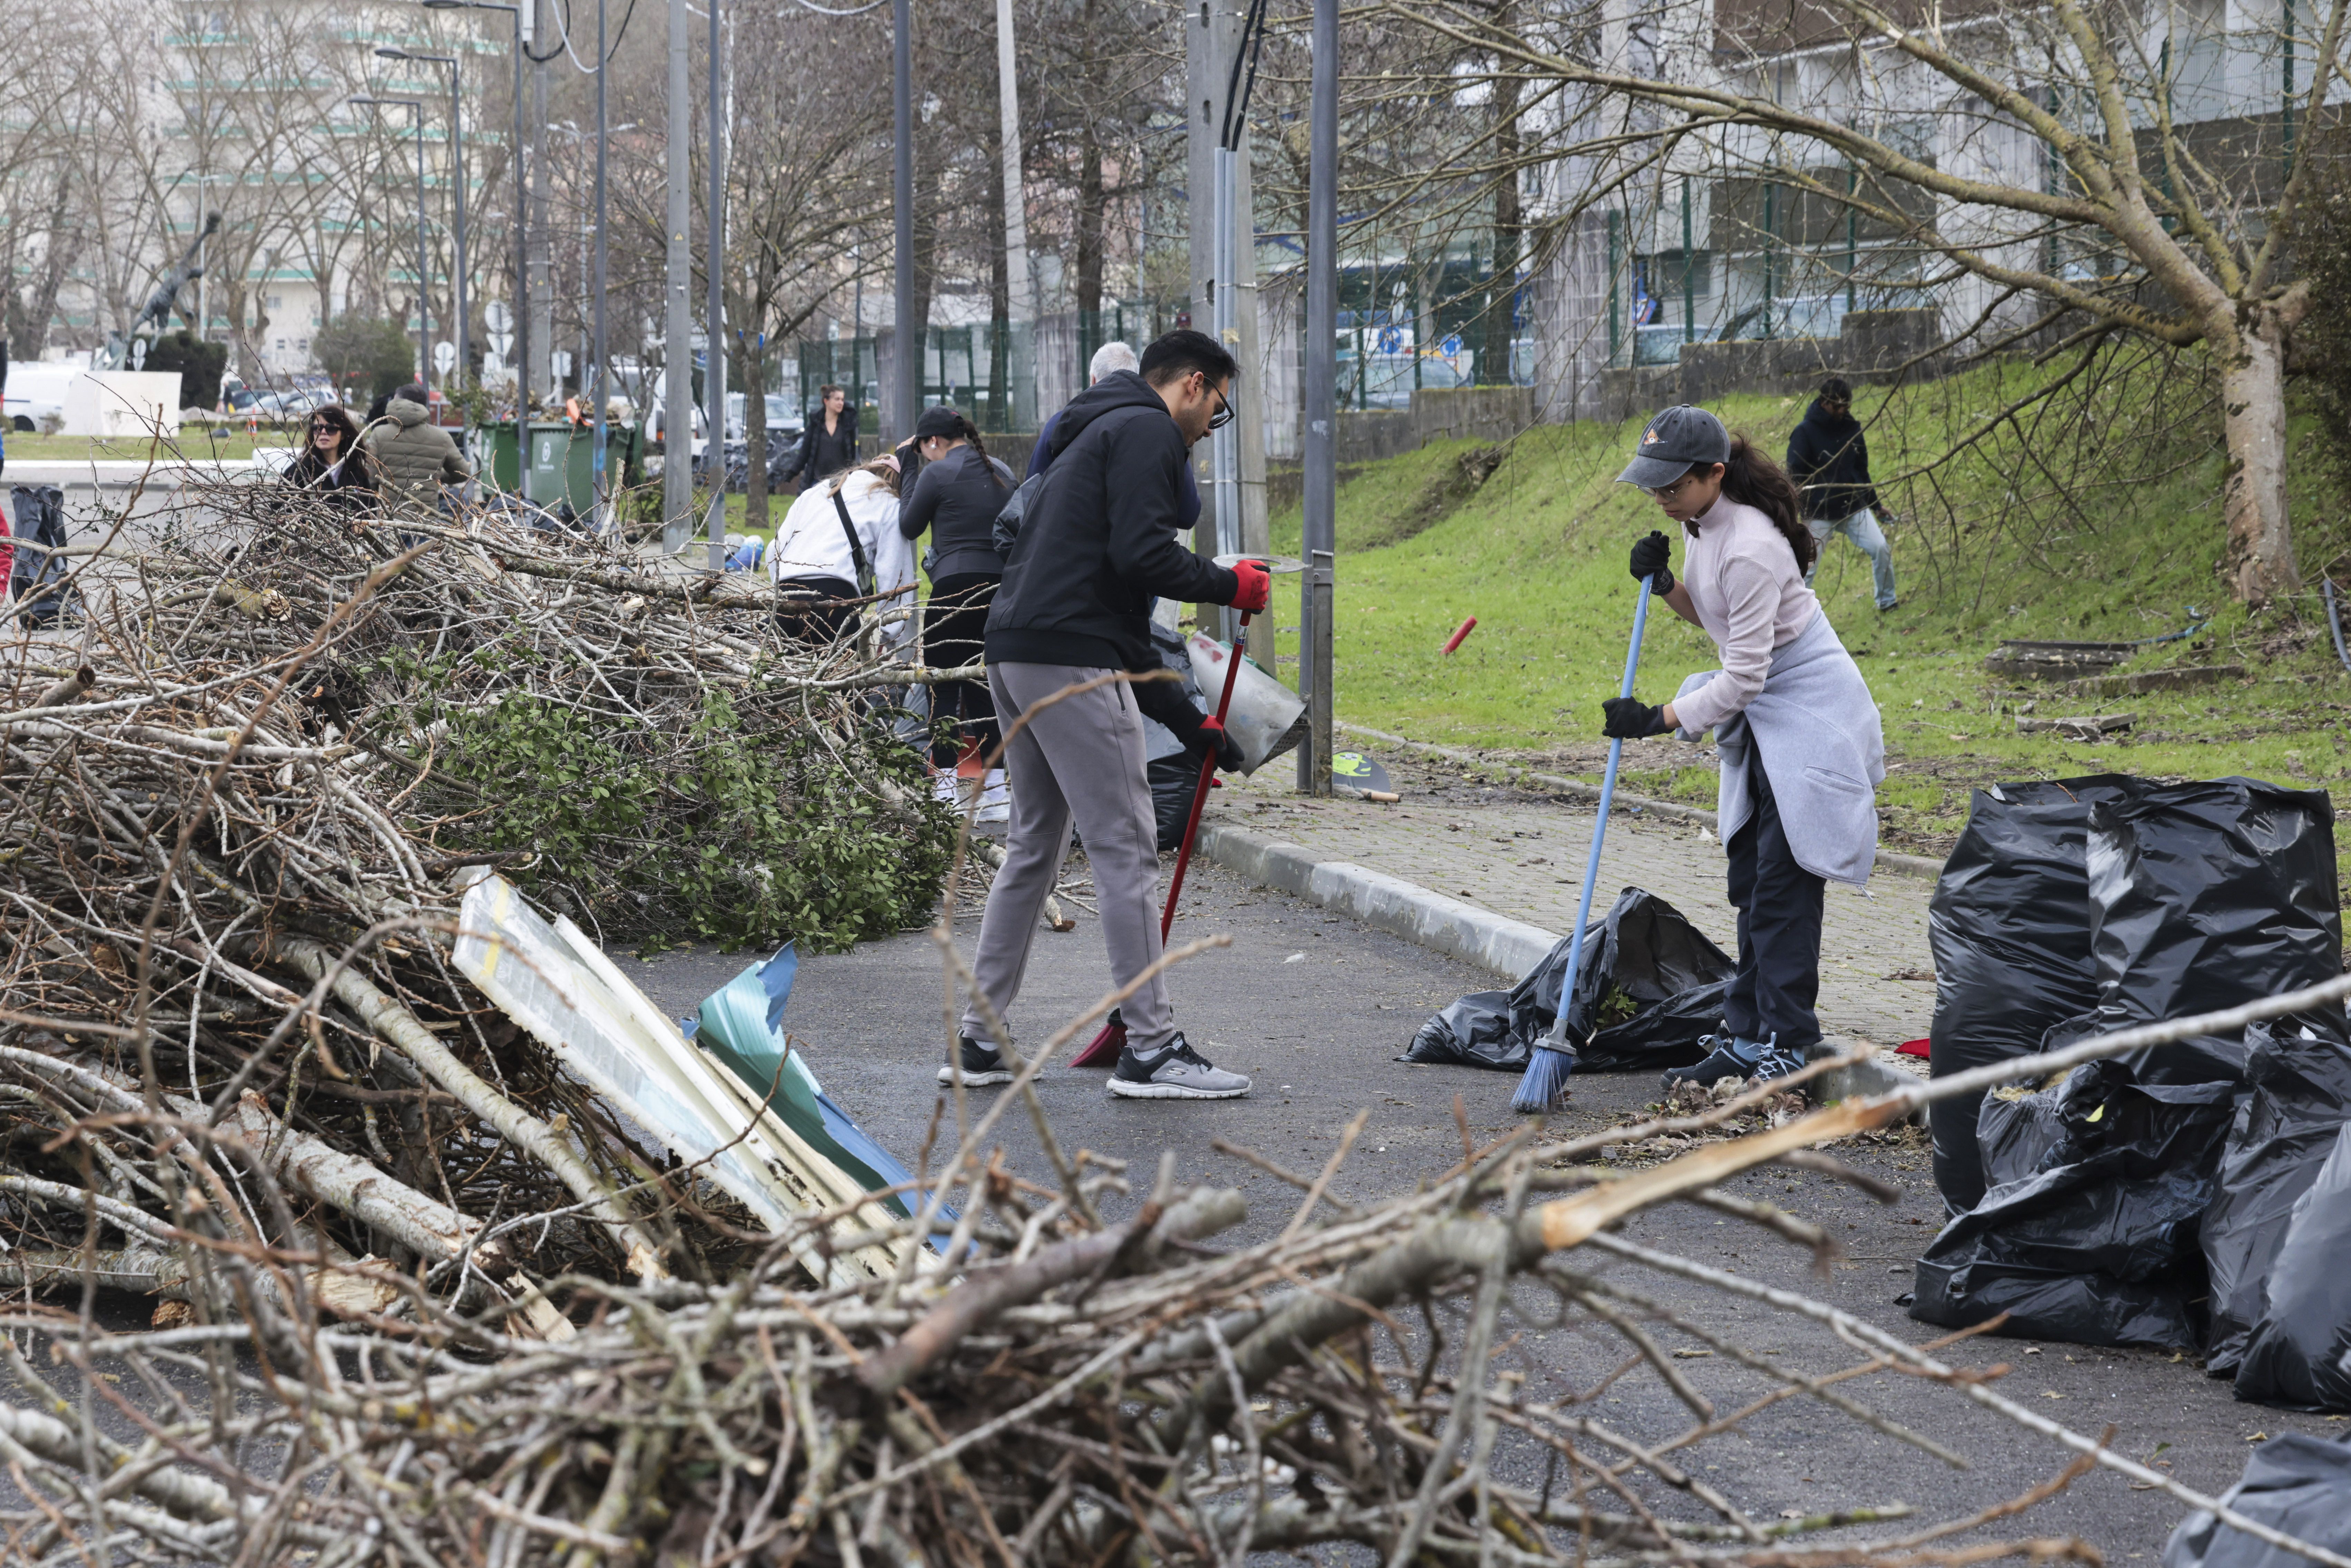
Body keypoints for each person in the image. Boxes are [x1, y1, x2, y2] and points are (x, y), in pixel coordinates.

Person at [952, 328, 1266, 1102]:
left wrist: (1189, 721)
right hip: (1067, 658)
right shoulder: (1148, 431)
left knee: (1034, 845)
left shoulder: (1090, 433)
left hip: (1014, 650)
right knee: (1126, 845)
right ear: (1193, 384)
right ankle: (1153, 1049)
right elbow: (1143, 559)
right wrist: (1232, 585)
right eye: (1217, 406)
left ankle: (981, 1042)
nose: (1208, 424)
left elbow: (1123, 617)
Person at [1605, 404, 1885, 1087]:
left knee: (1785, 889)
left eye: (1674, 487)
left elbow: (1745, 675)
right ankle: (1749, 1034)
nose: (1662, 498)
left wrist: (1661, 717)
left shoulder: (1753, 545)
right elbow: (1721, 622)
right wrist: (1670, 585)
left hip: (1810, 718)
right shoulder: (1704, 525)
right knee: (1752, 884)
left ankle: (1791, 1044)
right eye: (1655, 486)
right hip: (1767, 721)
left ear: (1716, 474)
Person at [897, 405, 1016, 808]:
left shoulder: (936, 472)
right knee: (986, 689)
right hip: (999, 592)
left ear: (933, 442)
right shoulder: (1003, 471)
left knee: (942, 690)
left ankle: (945, 794)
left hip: (951, 591)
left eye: (921, 447)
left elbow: (910, 525)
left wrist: (908, 469)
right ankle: (997, 797)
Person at [1028, 342, 1201, 530]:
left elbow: (1030, 497)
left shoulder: (1060, 424)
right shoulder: (1159, 426)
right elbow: (1188, 513)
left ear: (1093, 380)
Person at [767, 453, 913, 649]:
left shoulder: (815, 493)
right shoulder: (890, 504)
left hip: (786, 596)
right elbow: (894, 572)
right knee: (843, 677)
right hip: (833, 602)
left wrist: (782, 590)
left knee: (780, 675)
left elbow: (773, 550)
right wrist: (889, 632)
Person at [1785, 377, 1897, 611]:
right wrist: (1795, 514)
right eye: (1837, 406)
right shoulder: (1804, 432)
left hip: (1852, 506)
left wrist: (1876, 506)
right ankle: (1792, 615)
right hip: (1818, 512)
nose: (1842, 411)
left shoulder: (1852, 429)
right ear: (1824, 402)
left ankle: (1887, 602)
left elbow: (1861, 471)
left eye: (1846, 406)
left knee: (1880, 548)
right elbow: (1794, 477)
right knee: (1805, 568)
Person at [363, 385, 471, 520]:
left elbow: (369, 480)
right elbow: (463, 473)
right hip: (427, 523)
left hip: (391, 522)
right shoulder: (441, 437)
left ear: (398, 403)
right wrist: (435, 475)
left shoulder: (379, 434)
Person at [282, 404, 378, 512]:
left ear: (343, 435)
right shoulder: (300, 471)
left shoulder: (356, 473)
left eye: (331, 429)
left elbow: (370, 514)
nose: (323, 433)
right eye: (317, 428)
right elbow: (280, 512)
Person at [784, 384, 859, 493]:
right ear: (826, 401)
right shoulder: (816, 424)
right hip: (818, 481)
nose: (841, 403)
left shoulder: (847, 425)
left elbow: (854, 453)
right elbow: (805, 452)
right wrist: (792, 472)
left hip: (841, 482)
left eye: (843, 400)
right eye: (837, 399)